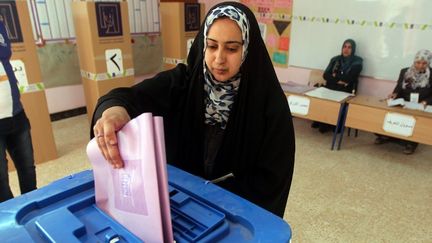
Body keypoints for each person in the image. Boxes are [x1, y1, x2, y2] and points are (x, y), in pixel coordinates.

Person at [91, 2, 295, 217]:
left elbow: (272, 182)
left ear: (247, 49)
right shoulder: (183, 82)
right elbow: (124, 97)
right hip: (180, 206)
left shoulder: (269, 106)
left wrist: (220, 203)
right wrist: (114, 111)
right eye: (212, 46)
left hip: (232, 214)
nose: (219, 59)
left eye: (232, 48)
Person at [0, 21, 37, 202]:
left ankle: (32, 209)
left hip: (16, 113)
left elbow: (4, 54)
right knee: (0, 181)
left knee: (28, 168)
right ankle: (10, 219)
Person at [375, 49, 432, 154]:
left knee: (416, 120)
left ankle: (411, 143)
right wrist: (394, 94)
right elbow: (399, 88)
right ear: (414, 61)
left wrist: (425, 102)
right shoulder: (405, 71)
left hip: (421, 105)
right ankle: (389, 136)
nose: (420, 66)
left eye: (424, 63)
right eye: (418, 62)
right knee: (388, 114)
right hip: (405, 102)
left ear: (428, 63)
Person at [312, 39, 363, 133]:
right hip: (332, 86)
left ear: (353, 49)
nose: (346, 49)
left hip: (347, 89)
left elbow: (350, 78)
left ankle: (335, 123)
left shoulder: (357, 61)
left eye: (349, 47)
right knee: (324, 95)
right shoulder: (335, 59)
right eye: (344, 46)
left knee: (338, 97)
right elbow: (326, 75)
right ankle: (323, 121)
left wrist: (336, 76)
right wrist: (340, 80)